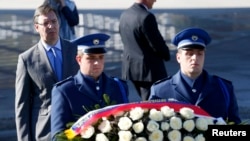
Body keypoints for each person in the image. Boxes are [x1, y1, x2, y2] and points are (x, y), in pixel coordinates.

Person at [148, 27, 241, 124]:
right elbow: (152, 127)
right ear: (178, 57)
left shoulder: (223, 88)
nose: (195, 58)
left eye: (200, 54)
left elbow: (235, 127)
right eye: (189, 53)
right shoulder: (161, 90)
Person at [15, 3, 79, 141]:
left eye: (54, 21)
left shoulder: (75, 50)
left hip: (76, 129)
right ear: (37, 27)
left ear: (59, 23)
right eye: (45, 23)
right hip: (45, 132)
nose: (51, 26)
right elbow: (22, 106)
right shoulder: (27, 59)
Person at [50, 33, 129, 140]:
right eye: (91, 58)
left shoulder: (118, 86)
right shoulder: (65, 91)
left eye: (101, 57)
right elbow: (58, 136)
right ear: (79, 60)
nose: (97, 62)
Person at [119, 0, 171, 101]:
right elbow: (156, 43)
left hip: (132, 68)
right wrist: (166, 54)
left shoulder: (125, 14)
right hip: (148, 71)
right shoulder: (146, 17)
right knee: (152, 106)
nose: (155, 1)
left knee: (147, 103)